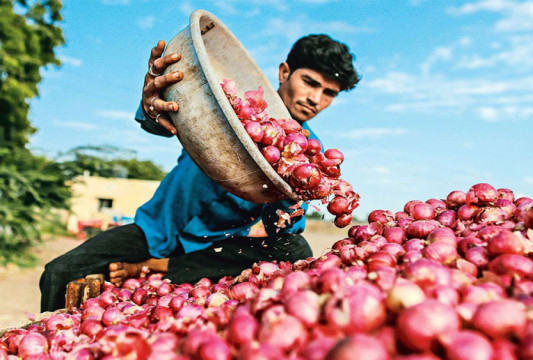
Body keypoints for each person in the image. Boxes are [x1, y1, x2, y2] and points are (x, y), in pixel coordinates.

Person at [39, 34, 360, 312]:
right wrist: (152, 104)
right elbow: (166, 118)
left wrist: (288, 196)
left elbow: (285, 229)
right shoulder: (232, 107)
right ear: (284, 72)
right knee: (59, 272)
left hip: (216, 248)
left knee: (295, 249)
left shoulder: (309, 155)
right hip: (157, 231)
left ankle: (157, 269)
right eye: (310, 83)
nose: (315, 99)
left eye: (329, 93)